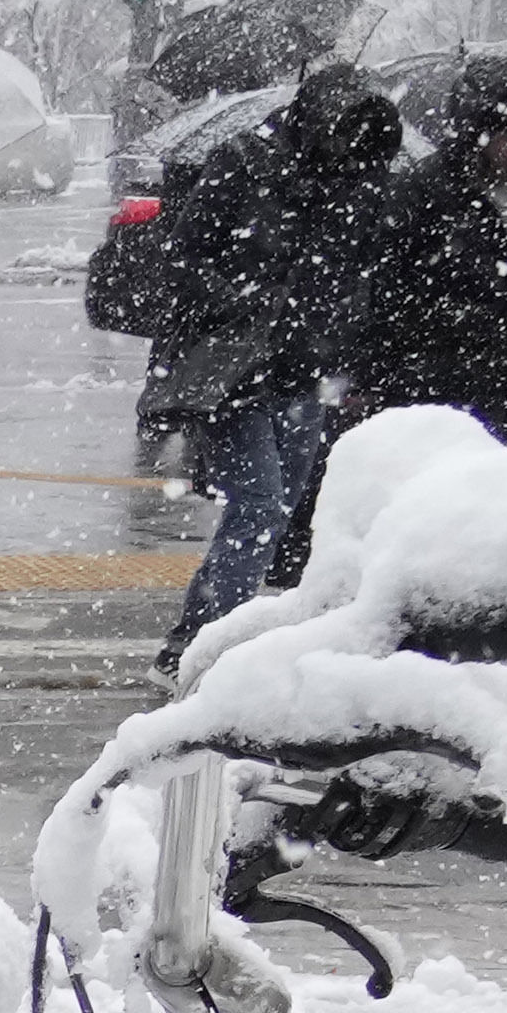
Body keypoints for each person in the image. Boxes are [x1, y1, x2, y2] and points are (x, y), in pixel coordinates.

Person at [159, 65, 399, 662]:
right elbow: (183, 255)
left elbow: (357, 279)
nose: (349, 145)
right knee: (259, 507)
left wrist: (349, 354)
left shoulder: (356, 184)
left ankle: (198, 640)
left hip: (302, 369)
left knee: (278, 509)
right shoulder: (245, 161)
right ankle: (213, 650)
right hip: (234, 368)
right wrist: (241, 303)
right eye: (342, 129)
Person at [346, 57, 507, 438]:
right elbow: (385, 286)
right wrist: (370, 374)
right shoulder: (426, 188)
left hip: (504, 376)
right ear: (480, 129)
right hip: (429, 376)